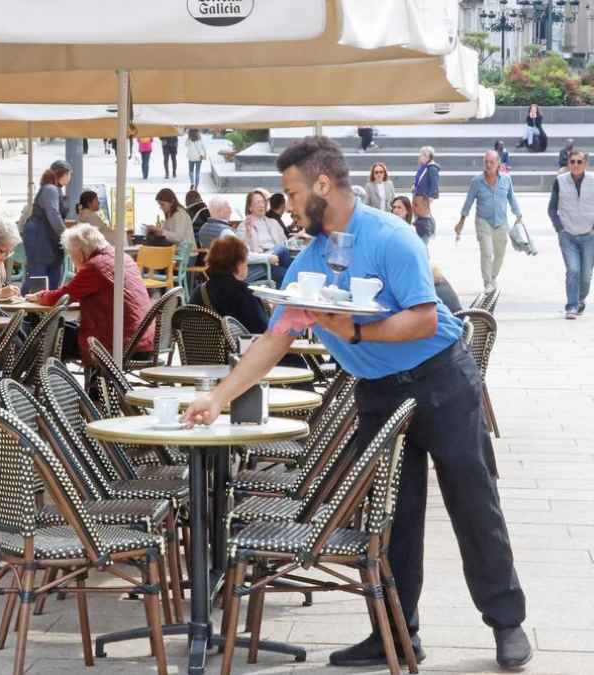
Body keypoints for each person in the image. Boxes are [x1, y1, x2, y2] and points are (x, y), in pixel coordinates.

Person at [184, 135, 531, 672]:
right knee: (390, 516)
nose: (290, 204)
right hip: (378, 392)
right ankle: (395, 634)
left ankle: (507, 623)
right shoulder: (312, 259)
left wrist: (355, 333)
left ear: (323, 185)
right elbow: (273, 340)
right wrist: (219, 397)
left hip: (441, 379)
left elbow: (424, 318)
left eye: (294, 192)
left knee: (472, 500)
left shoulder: (391, 237)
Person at [25, 224, 153, 366]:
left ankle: (53, 383)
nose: (72, 259)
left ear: (80, 252)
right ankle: (80, 384)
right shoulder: (122, 258)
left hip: (118, 344)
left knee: (48, 335)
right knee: (63, 330)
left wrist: (39, 296)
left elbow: (61, 297)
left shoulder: (95, 266)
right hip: (143, 340)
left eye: (71, 254)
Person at [456, 150, 524, 294]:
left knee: (500, 253)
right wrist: (461, 221)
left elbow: (512, 198)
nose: (488, 164)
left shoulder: (506, 179)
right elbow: (468, 201)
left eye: (491, 162)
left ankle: (493, 277)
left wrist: (518, 214)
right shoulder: (476, 181)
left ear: (498, 163)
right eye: (486, 162)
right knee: (487, 252)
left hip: (501, 222)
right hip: (483, 221)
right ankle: (487, 282)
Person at [548, 149, 593, 319]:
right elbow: (552, 208)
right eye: (572, 161)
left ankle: (580, 299)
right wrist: (560, 229)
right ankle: (572, 306)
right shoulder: (560, 181)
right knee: (573, 270)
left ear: (585, 164)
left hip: (590, 236)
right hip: (568, 236)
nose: (575, 165)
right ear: (568, 163)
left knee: (586, 275)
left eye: (579, 162)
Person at [191, 236, 269, 333]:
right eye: (246, 261)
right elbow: (262, 331)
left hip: (200, 347)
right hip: (240, 347)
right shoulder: (244, 293)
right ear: (239, 264)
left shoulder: (198, 292)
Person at [23, 163, 72, 290]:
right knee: (38, 276)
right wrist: (67, 236)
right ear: (64, 174)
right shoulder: (50, 189)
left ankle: (44, 305)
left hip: (47, 237)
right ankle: (30, 306)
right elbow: (53, 214)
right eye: (69, 174)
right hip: (40, 236)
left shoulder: (52, 188)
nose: (70, 177)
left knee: (49, 274)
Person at [239, 189, 291, 284]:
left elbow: (286, 243)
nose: (262, 205)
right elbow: (243, 255)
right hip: (261, 265)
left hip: (277, 262)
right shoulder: (244, 226)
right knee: (290, 275)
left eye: (263, 202)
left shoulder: (273, 222)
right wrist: (267, 257)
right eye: (257, 202)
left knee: (283, 251)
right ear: (250, 207)